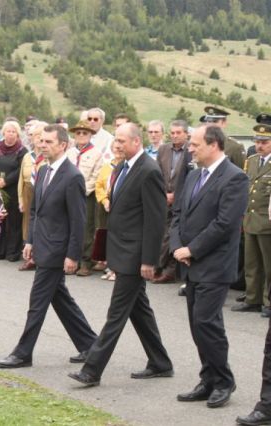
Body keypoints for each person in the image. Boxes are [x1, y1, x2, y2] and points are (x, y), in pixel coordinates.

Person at [68, 122, 173, 387]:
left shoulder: (148, 171)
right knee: (139, 311)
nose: (117, 145)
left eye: (122, 141)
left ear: (137, 142)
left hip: (134, 255)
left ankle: (92, 370)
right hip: (121, 249)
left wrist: (149, 260)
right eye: (116, 140)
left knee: (116, 314)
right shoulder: (122, 167)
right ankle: (160, 362)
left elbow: (155, 220)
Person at [0, 124, 98, 369]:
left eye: (49, 142)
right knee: (60, 299)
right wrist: (30, 240)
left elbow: (78, 220)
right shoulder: (42, 170)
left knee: (37, 301)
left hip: (57, 250)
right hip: (42, 244)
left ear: (63, 145)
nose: (43, 145)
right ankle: (91, 344)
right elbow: (36, 212)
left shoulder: (72, 177)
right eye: (42, 141)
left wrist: (73, 255)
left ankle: (23, 353)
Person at [170, 125, 247, 408]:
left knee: (207, 323)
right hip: (190, 263)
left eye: (195, 144)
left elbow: (225, 224)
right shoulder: (193, 175)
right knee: (196, 323)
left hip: (214, 264)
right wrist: (177, 247)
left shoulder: (235, 178)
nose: (190, 148)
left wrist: (192, 249)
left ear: (213, 145)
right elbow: (178, 213)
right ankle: (208, 378)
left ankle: (224, 381)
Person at [232, 123, 271, 316]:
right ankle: (252, 298)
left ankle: (268, 302)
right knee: (252, 264)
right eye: (257, 141)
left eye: (264, 142)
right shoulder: (252, 161)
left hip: (267, 222)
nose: (259, 145)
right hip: (250, 220)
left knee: (269, 265)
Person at [152, 120, 192, 284]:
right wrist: (164, 194)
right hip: (163, 198)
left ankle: (169, 270)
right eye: (172, 133)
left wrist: (177, 195)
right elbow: (157, 173)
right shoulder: (163, 149)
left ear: (186, 134)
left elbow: (191, 177)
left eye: (178, 133)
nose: (175, 136)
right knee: (162, 233)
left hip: (182, 199)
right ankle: (159, 266)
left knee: (175, 233)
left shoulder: (191, 150)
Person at [0, 121, 28, 262]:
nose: (10, 134)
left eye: (13, 131)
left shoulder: (22, 150)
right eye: (8, 131)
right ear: (3, 133)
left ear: (17, 134)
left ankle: (12, 252)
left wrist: (6, 181)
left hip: (12, 190)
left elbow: (20, 169)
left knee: (13, 222)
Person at [67, 120, 103, 276]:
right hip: (67, 195)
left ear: (90, 135)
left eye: (85, 133)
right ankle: (71, 259)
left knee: (86, 228)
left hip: (85, 196)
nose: (81, 136)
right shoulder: (69, 152)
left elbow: (96, 176)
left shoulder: (96, 153)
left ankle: (86, 262)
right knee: (69, 227)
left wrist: (82, 191)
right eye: (78, 133)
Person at [17, 121, 48, 271]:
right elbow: (21, 181)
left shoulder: (49, 158)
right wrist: (21, 199)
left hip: (44, 191)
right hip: (29, 191)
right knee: (28, 224)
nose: (40, 142)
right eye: (37, 138)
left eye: (43, 139)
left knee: (42, 224)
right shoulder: (27, 157)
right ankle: (29, 256)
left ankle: (40, 256)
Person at [93, 140, 126, 282]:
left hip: (121, 206)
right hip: (106, 206)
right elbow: (99, 186)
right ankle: (109, 266)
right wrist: (105, 201)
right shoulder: (107, 166)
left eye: (120, 148)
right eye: (115, 148)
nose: (117, 150)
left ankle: (118, 269)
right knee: (106, 236)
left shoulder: (126, 166)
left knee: (119, 238)